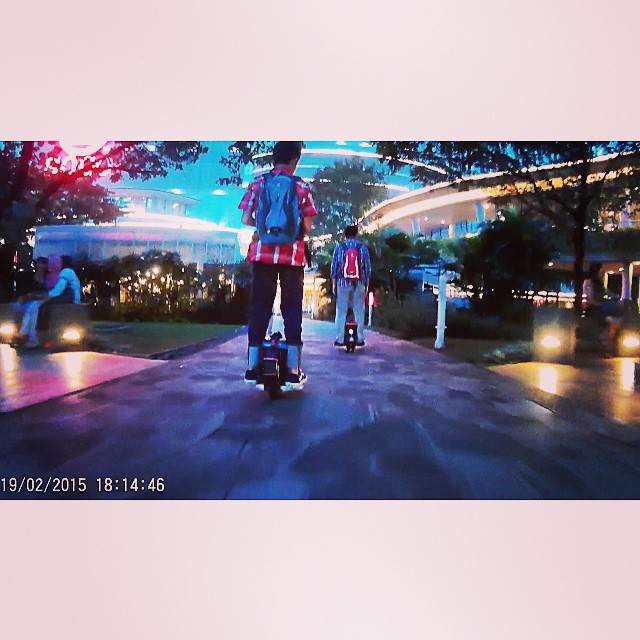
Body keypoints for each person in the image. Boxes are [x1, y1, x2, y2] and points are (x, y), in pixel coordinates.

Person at [239, 141, 318, 389]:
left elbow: (245, 218)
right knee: (292, 308)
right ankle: (293, 370)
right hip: (292, 257)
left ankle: (252, 367)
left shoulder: (258, 184)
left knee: (260, 307)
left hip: (262, 255)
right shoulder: (301, 186)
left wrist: (264, 228)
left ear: (273, 159)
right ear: (295, 160)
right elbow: (307, 226)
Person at [19, 255, 81, 347]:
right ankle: (26, 333)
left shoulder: (66, 272)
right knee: (33, 305)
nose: (48, 266)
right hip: (64, 296)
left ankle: (32, 335)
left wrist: (43, 299)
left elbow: (57, 291)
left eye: (51, 264)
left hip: (69, 298)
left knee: (38, 306)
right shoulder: (55, 275)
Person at [331, 224, 371, 346]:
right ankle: (360, 338)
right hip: (359, 283)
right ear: (356, 234)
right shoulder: (363, 248)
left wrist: (334, 284)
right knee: (359, 310)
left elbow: (334, 268)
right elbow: (367, 268)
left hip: (342, 283)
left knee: (341, 311)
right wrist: (366, 285)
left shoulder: (339, 248)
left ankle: (340, 338)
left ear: (345, 235)